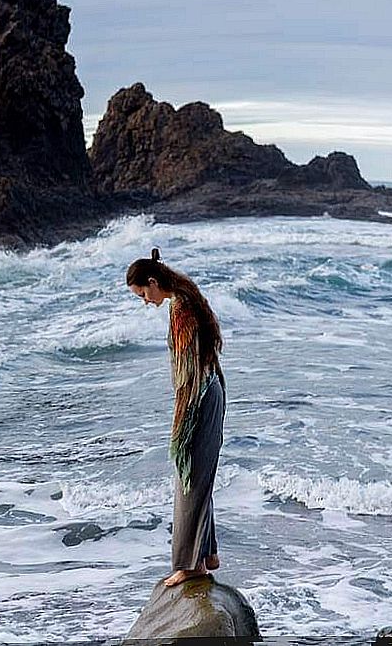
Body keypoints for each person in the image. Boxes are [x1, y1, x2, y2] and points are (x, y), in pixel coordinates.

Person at [126, 247, 227, 586]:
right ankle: (209, 552)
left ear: (153, 282)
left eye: (143, 294)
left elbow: (187, 372)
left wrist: (180, 421)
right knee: (199, 475)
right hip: (212, 391)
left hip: (199, 397)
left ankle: (189, 564)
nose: (145, 302)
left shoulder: (181, 310)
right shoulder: (185, 295)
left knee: (188, 477)